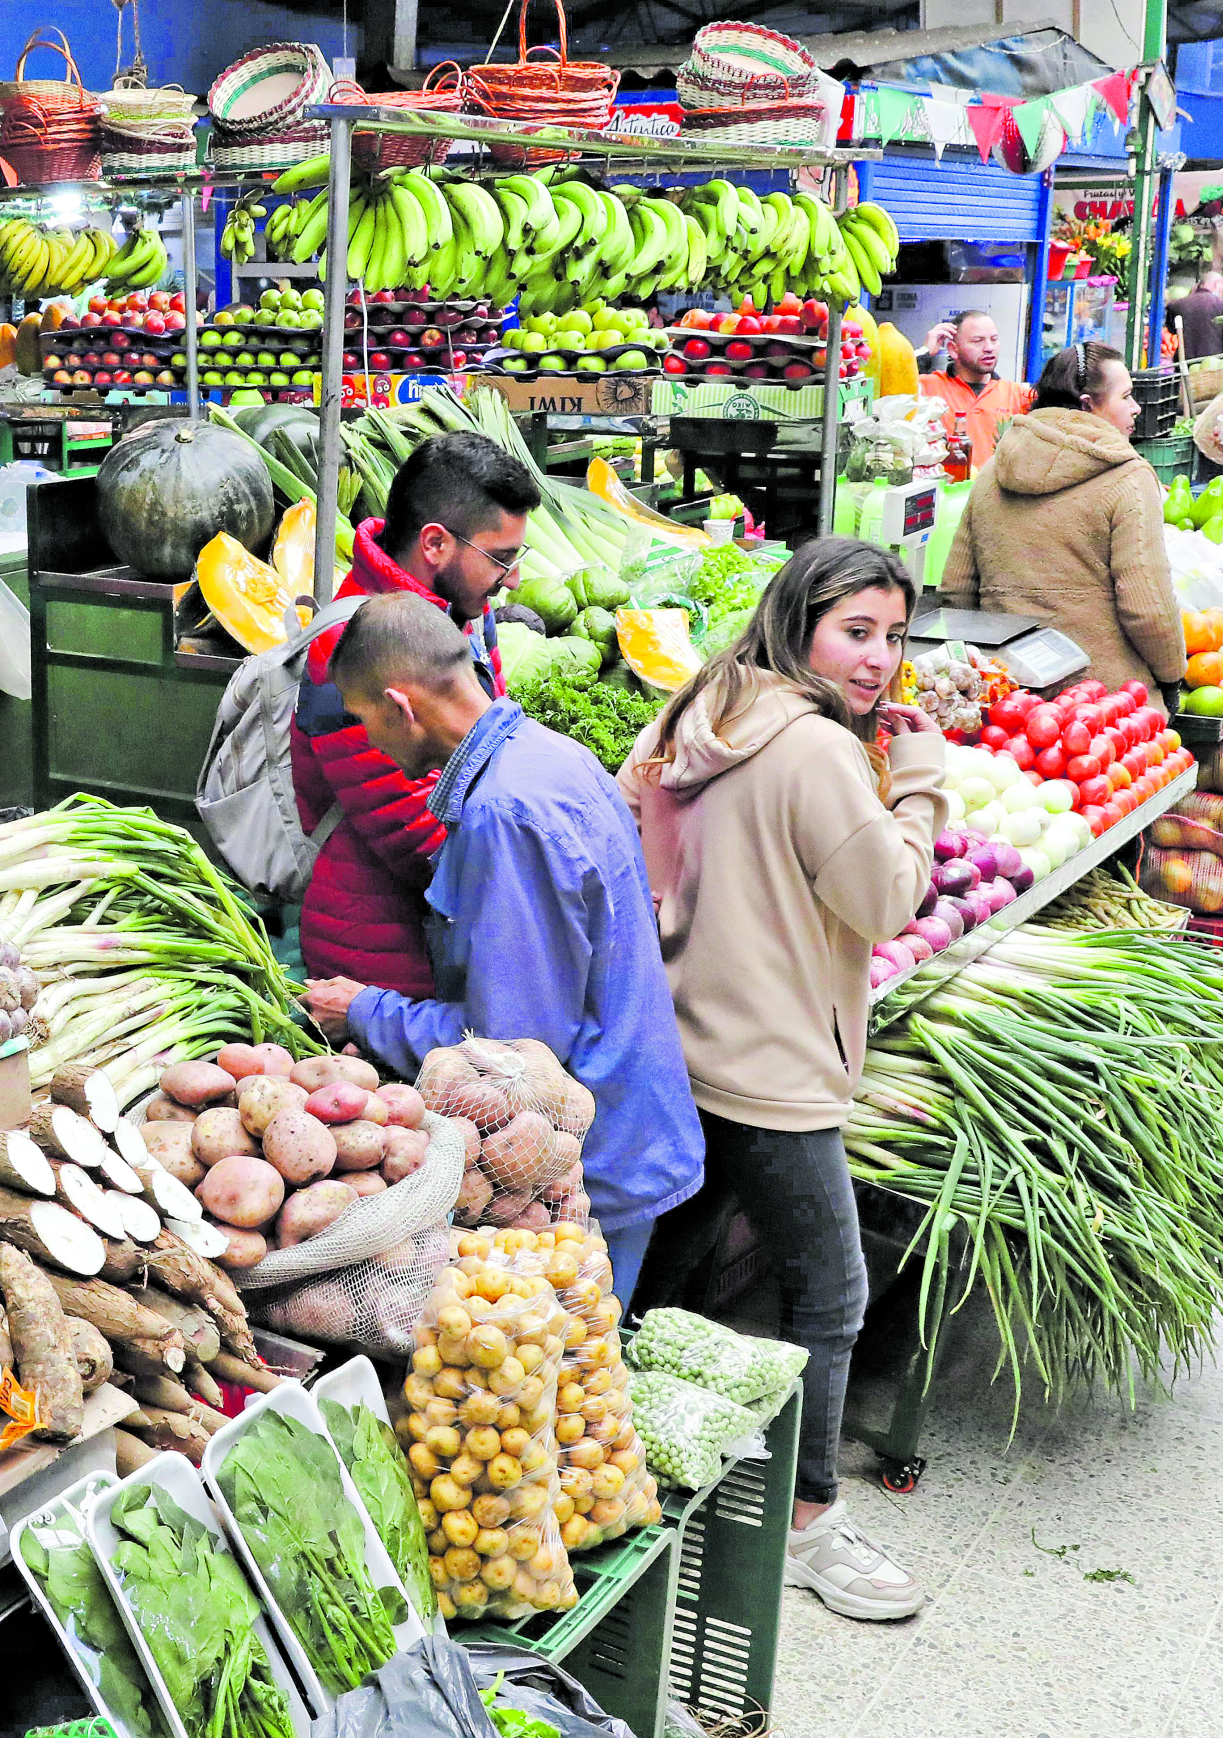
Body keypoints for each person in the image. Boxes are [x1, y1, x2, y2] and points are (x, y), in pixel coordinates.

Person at [619, 536, 947, 1623]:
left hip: (686, 1040)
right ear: (800, 622)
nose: (879, 659)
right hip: (772, 1066)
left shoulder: (702, 704)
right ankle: (810, 1524)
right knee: (833, 1293)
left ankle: (621, 1451)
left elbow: (637, 824)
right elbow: (890, 899)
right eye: (857, 631)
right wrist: (924, 787)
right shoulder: (812, 750)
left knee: (668, 1258)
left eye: (894, 636)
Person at [298, 593, 702, 1300]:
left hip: (591, 1163)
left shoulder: (500, 815)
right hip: (628, 1123)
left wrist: (366, 1010)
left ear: (400, 704)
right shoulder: (546, 756)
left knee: (574, 1387)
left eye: (366, 723)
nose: (372, 744)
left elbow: (516, 1053)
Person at [287, 433, 546, 995]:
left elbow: (492, 745)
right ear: (435, 544)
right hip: (381, 966)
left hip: (441, 940)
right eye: (500, 559)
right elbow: (418, 836)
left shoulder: (465, 613)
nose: (515, 579)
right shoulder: (352, 649)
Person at [935, 340, 1186, 695]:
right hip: (1104, 708)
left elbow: (957, 590)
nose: (1136, 407)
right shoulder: (1129, 477)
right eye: (1126, 396)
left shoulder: (993, 471)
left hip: (1007, 696)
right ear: (1088, 405)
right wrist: (1173, 674)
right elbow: (1147, 608)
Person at [917, 311, 1035, 484]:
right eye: (977, 341)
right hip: (947, 494)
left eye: (994, 339)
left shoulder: (1017, 394)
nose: (989, 347)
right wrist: (925, 353)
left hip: (997, 496)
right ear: (953, 349)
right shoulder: (930, 386)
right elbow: (890, 391)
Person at [1171, 264, 1223, 362]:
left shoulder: (1178, 304)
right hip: (1212, 364)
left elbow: (1172, 329)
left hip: (1184, 363)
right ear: (1217, 285)